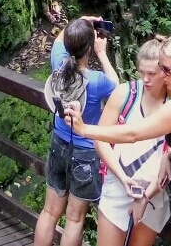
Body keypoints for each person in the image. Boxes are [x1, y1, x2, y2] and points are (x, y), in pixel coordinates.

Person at [66, 35, 171, 246]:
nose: (163, 76)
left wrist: (84, 129)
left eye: (165, 70)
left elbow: (133, 134)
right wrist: (170, 153)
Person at [34, 16, 119, 246]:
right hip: (85, 151)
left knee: (50, 211)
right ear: (90, 47)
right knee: (74, 218)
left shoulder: (59, 66)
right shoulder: (97, 81)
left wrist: (78, 21)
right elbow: (117, 86)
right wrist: (102, 54)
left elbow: (59, 41)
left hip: (59, 143)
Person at [96, 39, 171, 246]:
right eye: (142, 72)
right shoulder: (125, 94)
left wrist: (145, 197)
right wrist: (123, 178)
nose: (145, 79)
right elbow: (101, 140)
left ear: (165, 72)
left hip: (153, 193)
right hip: (119, 186)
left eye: (152, 74)